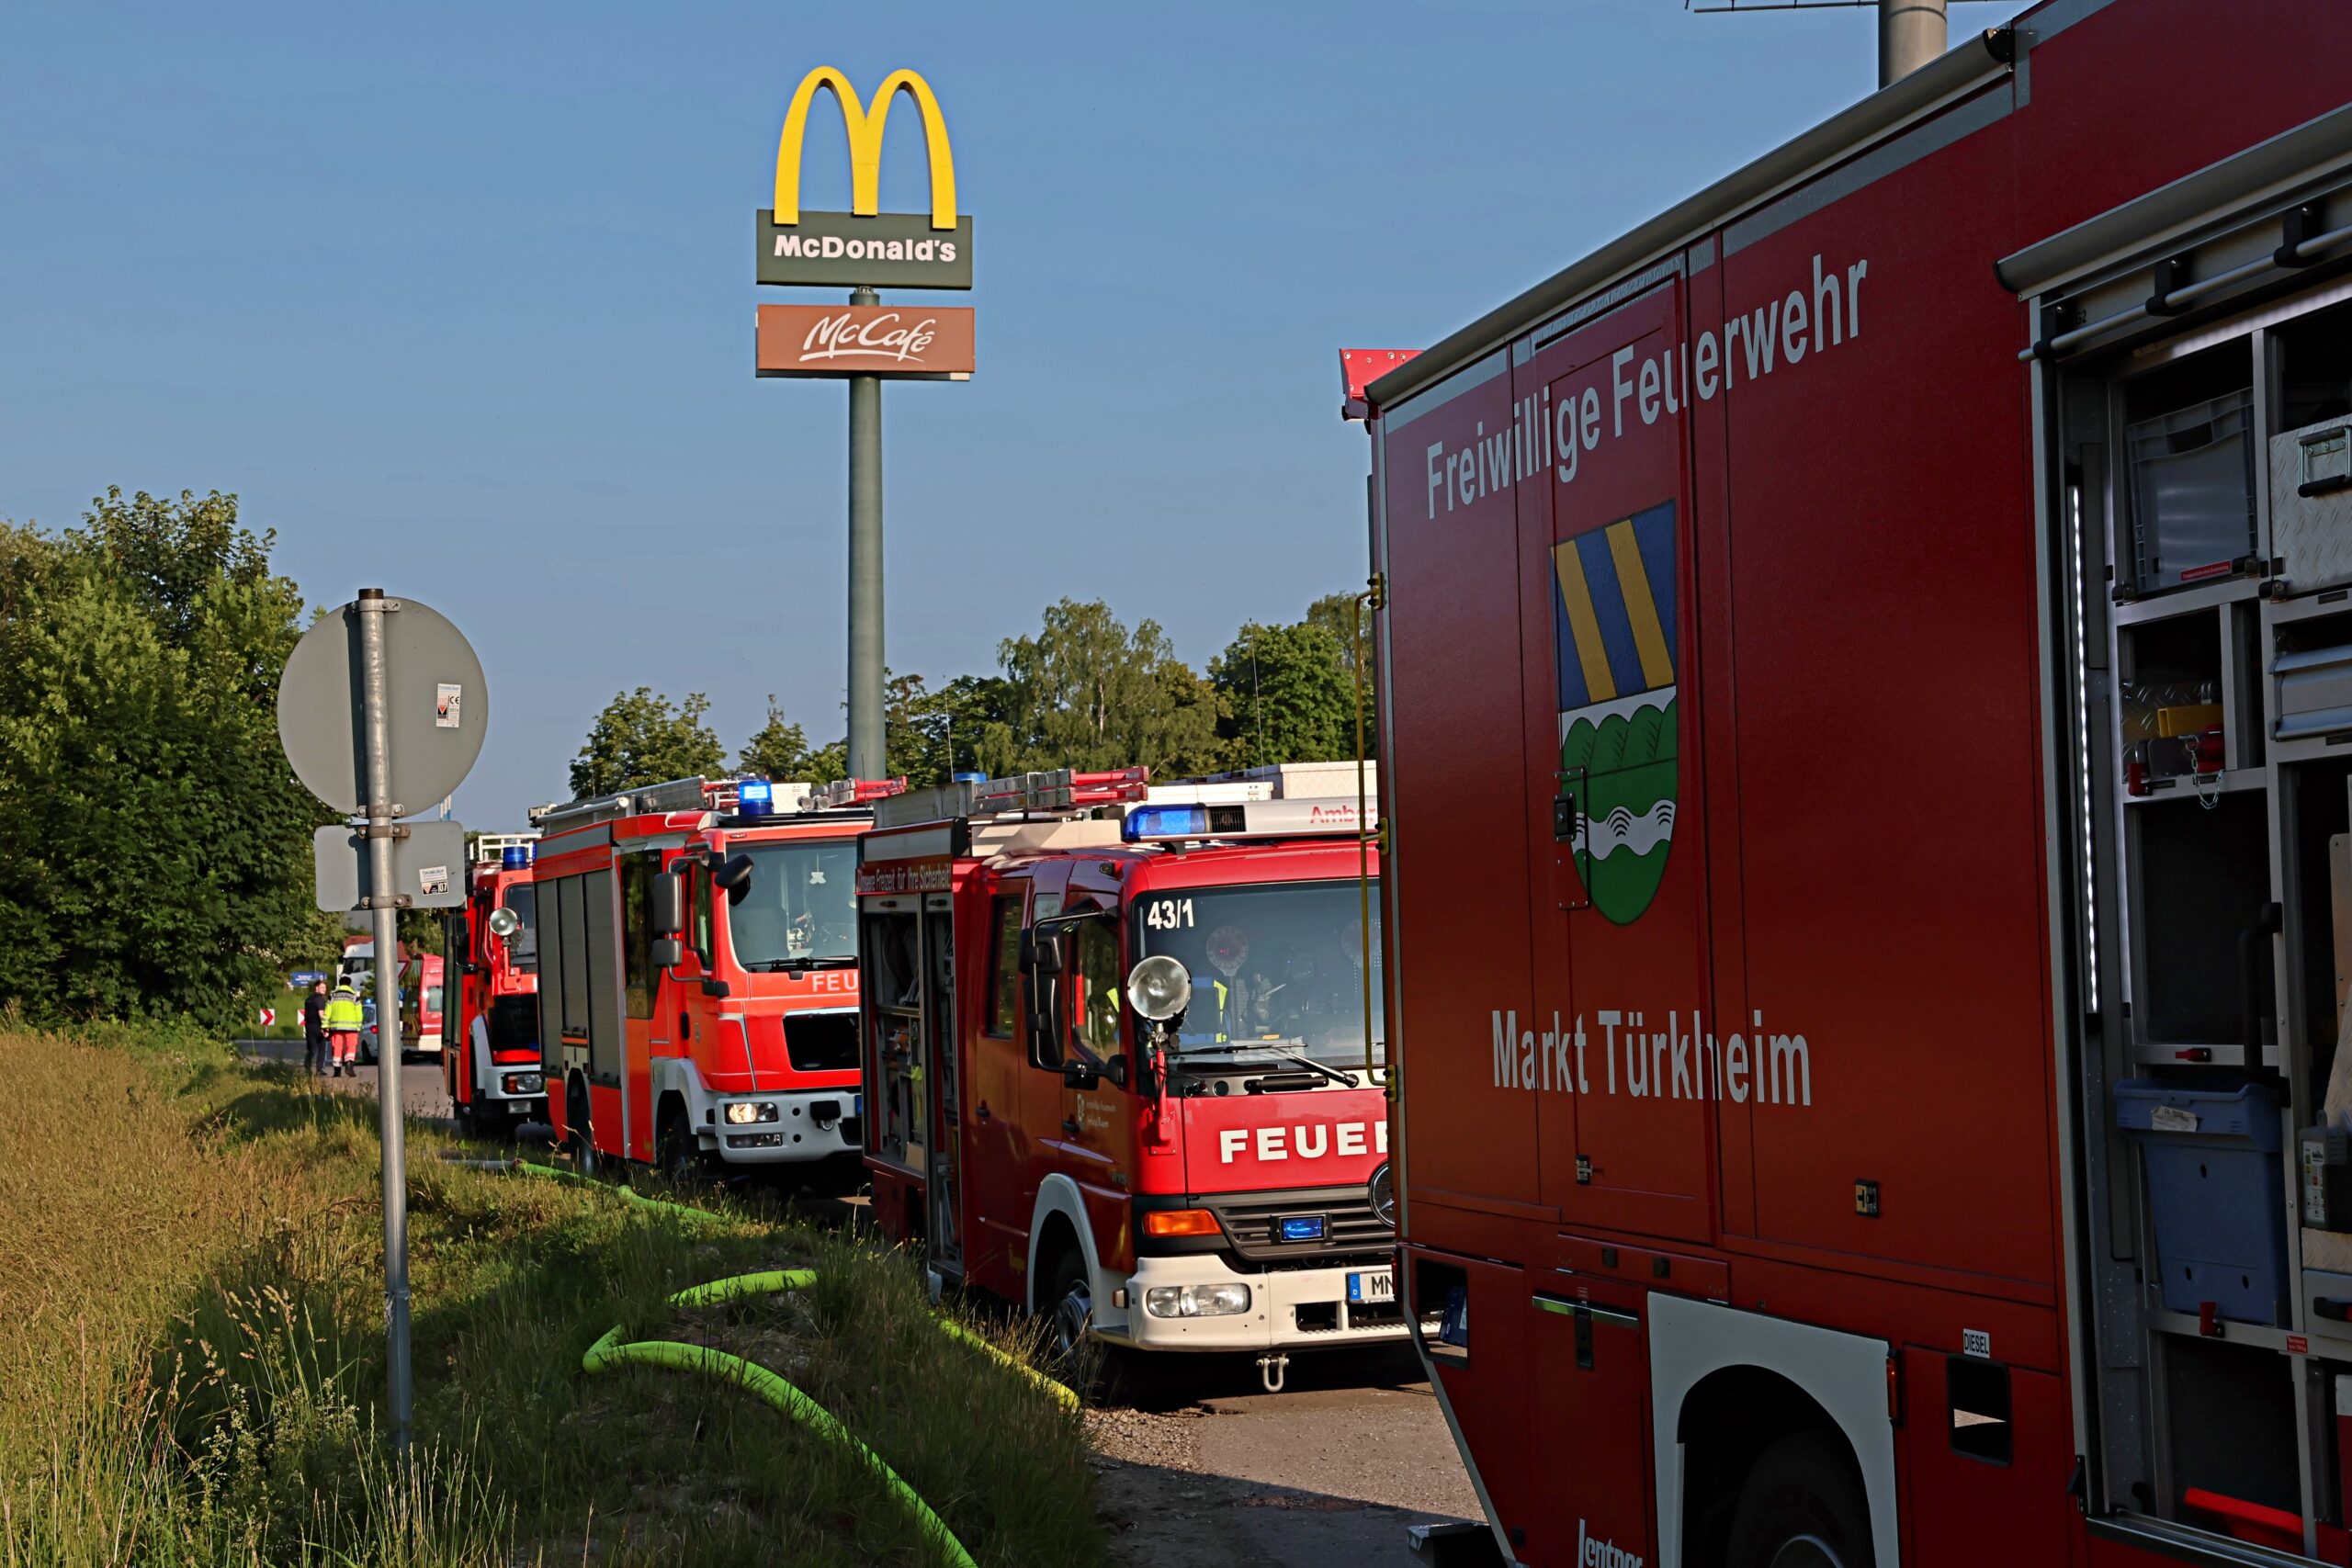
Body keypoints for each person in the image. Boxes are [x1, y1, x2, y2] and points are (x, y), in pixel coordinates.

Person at [323, 981, 365, 1078]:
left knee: (337, 1047)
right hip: (351, 1028)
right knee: (351, 1047)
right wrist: (358, 1027)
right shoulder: (354, 997)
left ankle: (337, 1071)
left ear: (340, 984)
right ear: (349, 984)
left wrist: (325, 1026)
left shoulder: (332, 996)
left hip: (336, 1027)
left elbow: (327, 1012)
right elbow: (359, 1014)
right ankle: (349, 1066)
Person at [301, 978, 328, 1076]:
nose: (324, 989)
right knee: (322, 1047)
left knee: (311, 1048)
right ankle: (320, 1069)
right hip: (318, 1026)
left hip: (309, 1026)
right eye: (322, 987)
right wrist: (325, 1027)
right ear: (316, 988)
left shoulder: (308, 999)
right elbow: (321, 1015)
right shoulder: (320, 999)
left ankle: (307, 1066)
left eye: (325, 988)